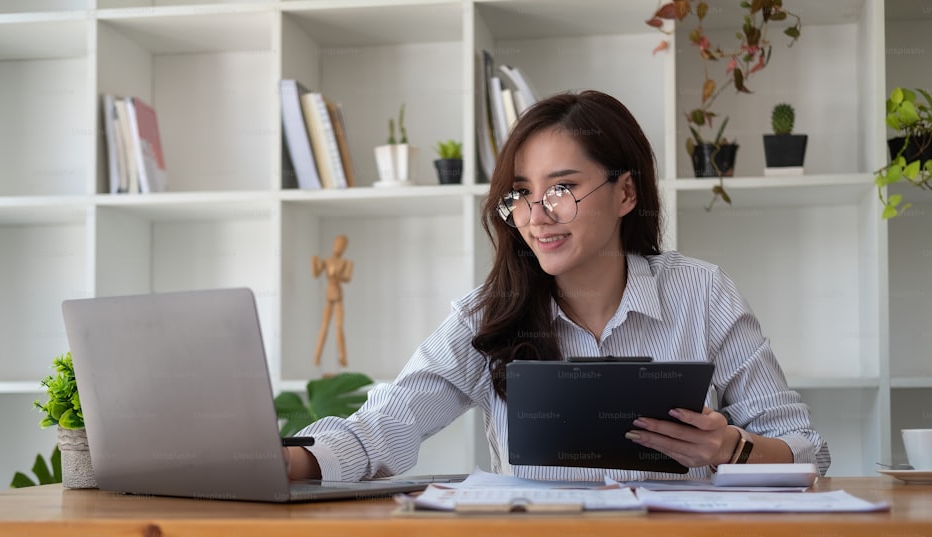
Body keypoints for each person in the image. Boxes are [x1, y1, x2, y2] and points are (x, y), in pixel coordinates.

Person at [284, 90, 830, 482]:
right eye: (522, 193)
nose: (537, 215)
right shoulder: (488, 315)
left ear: (626, 194)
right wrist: (285, 460)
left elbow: (807, 451)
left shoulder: (703, 294)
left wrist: (730, 447)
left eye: (562, 188)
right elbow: (386, 424)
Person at [312, 235, 353, 368]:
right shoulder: (327, 261)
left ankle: (342, 356)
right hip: (329, 294)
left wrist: (336, 275)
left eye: (342, 245)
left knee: (339, 326)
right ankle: (317, 356)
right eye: (337, 244)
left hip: (338, 294)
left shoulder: (347, 263)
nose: (338, 247)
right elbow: (316, 273)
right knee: (324, 326)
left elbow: (347, 278)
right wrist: (313, 262)